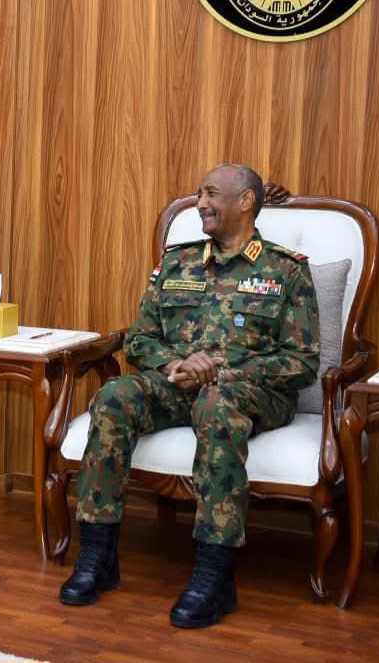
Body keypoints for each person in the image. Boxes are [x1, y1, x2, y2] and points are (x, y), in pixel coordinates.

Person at [59, 164, 319, 628]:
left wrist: (224, 371)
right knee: (115, 395)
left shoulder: (286, 270)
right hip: (178, 383)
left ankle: (214, 576)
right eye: (199, 194)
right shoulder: (177, 263)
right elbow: (139, 340)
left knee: (217, 404)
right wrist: (173, 366)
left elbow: (302, 362)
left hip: (252, 392)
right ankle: (97, 556)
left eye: (211, 194)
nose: (200, 203)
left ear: (245, 201)